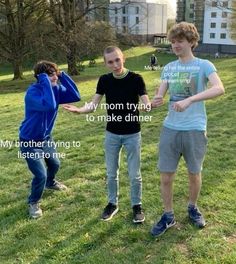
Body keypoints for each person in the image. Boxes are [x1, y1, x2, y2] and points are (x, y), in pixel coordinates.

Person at [150, 22, 224, 237]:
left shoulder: (204, 65)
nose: (175, 45)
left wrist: (190, 100)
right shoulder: (169, 68)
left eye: (180, 41)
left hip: (195, 128)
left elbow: (219, 88)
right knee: (166, 176)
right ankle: (168, 215)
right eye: (172, 41)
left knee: (194, 173)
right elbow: (160, 94)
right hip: (170, 129)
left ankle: (192, 207)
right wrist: (155, 100)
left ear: (191, 42)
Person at [63, 46, 151, 223]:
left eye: (117, 60)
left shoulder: (136, 79)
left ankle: (137, 206)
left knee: (134, 174)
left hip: (132, 134)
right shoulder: (104, 80)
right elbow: (94, 105)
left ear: (123, 58)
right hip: (111, 134)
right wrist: (79, 110)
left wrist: (147, 105)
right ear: (106, 64)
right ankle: (112, 204)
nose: (115, 64)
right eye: (110, 62)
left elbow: (146, 103)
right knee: (112, 173)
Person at [19, 60, 80, 219]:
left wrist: (63, 76)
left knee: (55, 164)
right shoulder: (32, 92)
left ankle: (51, 183)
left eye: (55, 74)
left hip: (46, 139)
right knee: (40, 175)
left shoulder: (56, 89)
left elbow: (75, 96)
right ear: (40, 78)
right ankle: (33, 202)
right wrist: (46, 81)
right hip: (29, 141)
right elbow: (49, 106)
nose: (54, 78)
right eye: (49, 75)